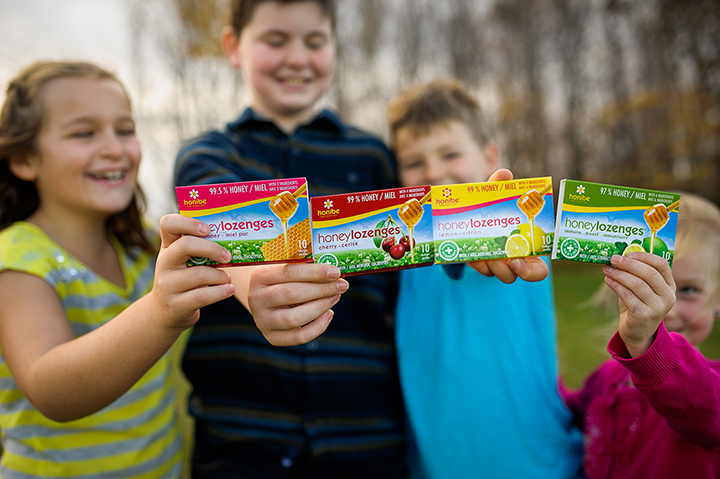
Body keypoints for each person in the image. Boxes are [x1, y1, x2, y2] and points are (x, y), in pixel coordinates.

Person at [172, 1, 407, 476]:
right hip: (240, 444)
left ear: (334, 48)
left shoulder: (373, 157)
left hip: (365, 438)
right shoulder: (206, 155)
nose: (298, 58)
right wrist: (257, 285)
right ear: (234, 47)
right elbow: (226, 234)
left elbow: (412, 265)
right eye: (276, 41)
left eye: (315, 42)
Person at [0, 60, 235, 478]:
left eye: (125, 130)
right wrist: (159, 312)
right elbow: (50, 389)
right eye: (83, 133)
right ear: (24, 159)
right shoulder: (16, 259)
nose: (115, 148)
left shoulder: (143, 247)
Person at [386, 78, 584, 478]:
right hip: (435, 466)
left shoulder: (518, 227)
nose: (435, 173)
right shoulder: (400, 257)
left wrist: (484, 225)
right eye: (414, 162)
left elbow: (465, 245)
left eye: (451, 154)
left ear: (489, 159)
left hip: (538, 463)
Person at [562, 191, 720, 478]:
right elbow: (563, 415)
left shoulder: (713, 388)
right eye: (648, 284)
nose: (666, 307)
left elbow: (706, 413)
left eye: (687, 290)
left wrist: (647, 341)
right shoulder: (607, 377)